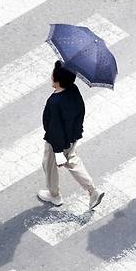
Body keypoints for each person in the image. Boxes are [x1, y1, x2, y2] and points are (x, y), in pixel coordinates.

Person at [37, 61, 104, 210]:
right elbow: (81, 111)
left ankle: (54, 195)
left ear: (57, 80)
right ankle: (93, 191)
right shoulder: (73, 89)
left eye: (53, 73)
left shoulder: (54, 102)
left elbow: (54, 129)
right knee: (71, 160)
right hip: (72, 137)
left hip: (57, 142)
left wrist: (58, 151)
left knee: (49, 165)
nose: (51, 75)